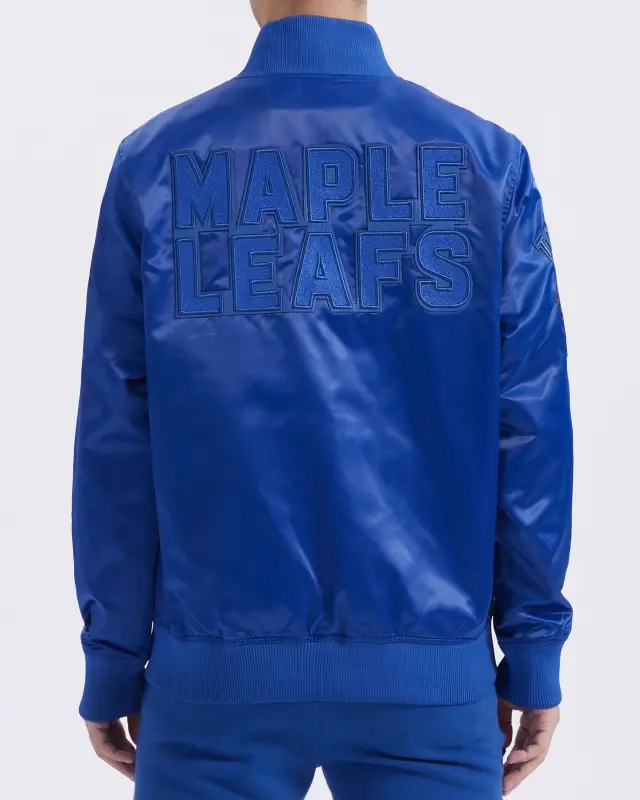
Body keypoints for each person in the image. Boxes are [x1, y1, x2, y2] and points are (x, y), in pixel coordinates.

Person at [72, 0, 573, 797]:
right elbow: (531, 423)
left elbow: (118, 438)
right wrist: (533, 648)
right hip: (430, 683)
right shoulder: (487, 161)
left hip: (211, 683)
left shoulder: (154, 163)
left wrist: (113, 657)